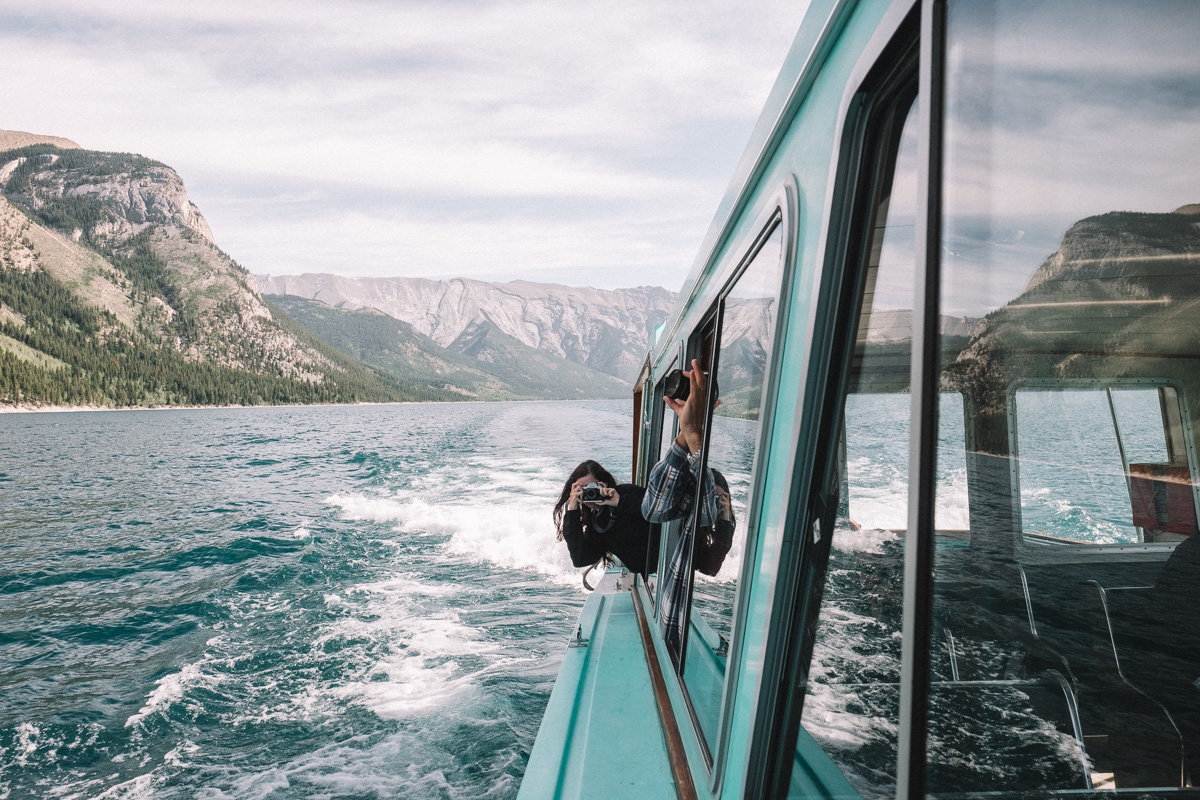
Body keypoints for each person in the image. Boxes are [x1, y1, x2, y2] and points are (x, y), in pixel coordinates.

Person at [642, 358, 721, 657]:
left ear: (712, 406)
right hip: (675, 632)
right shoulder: (691, 466)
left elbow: (706, 517)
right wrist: (685, 436)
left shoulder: (714, 478)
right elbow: (653, 509)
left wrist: (693, 434)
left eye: (695, 392)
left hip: (696, 640)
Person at [554, 460, 656, 577]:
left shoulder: (627, 493)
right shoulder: (596, 524)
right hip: (648, 572)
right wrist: (572, 510)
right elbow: (580, 559)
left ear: (605, 484)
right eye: (582, 489)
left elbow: (658, 512)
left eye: (593, 486)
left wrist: (620, 502)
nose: (589, 492)